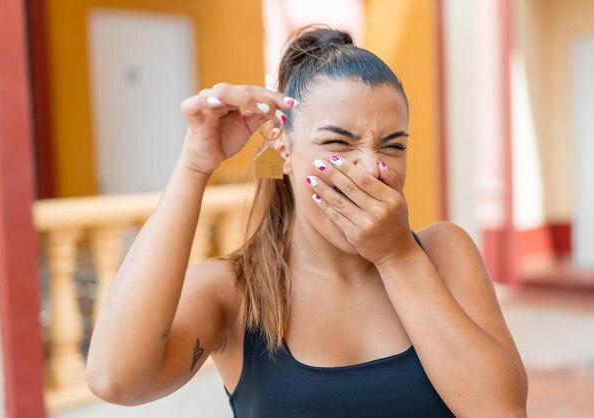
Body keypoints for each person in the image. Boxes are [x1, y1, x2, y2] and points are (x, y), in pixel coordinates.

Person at [86, 26, 528, 417]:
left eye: (393, 146)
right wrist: (195, 165)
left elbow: (501, 409)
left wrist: (397, 256)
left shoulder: (443, 253)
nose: (371, 168)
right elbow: (115, 379)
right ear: (283, 148)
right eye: (338, 142)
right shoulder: (233, 291)